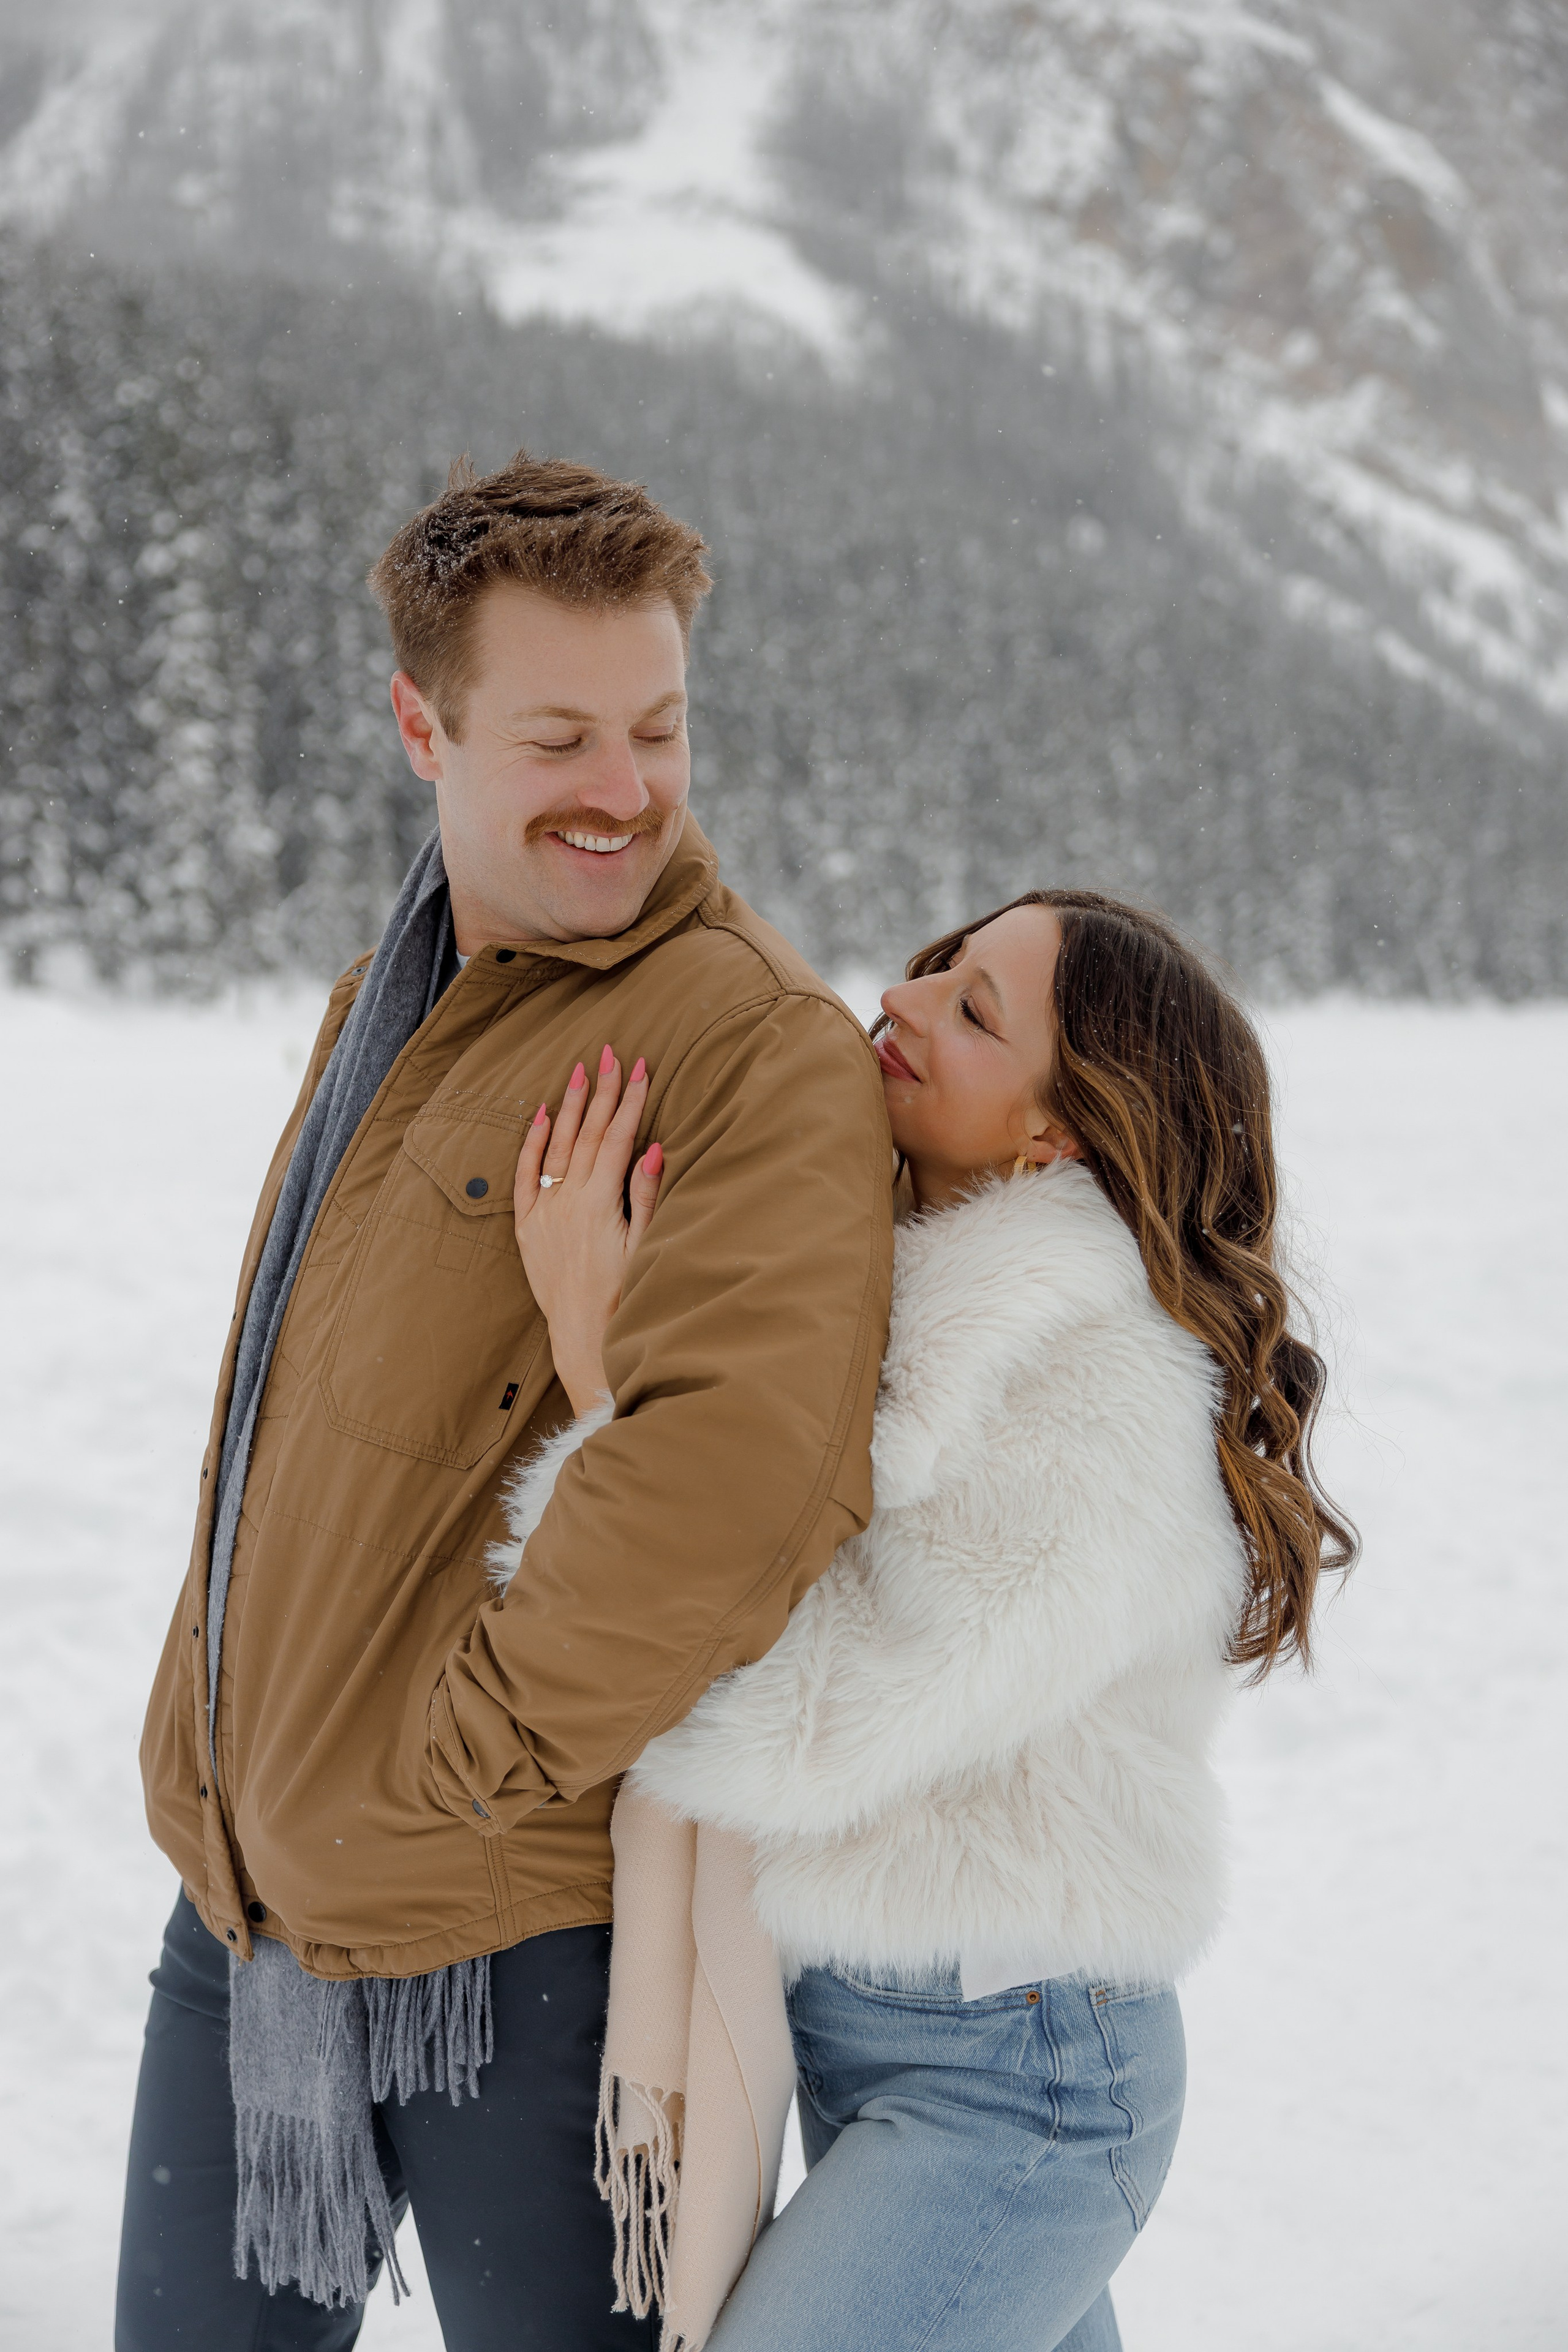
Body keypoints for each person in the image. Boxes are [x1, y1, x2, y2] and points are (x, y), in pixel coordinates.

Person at [115, 451, 894, 2351]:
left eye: (658, 726)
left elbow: (741, 1487)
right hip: (249, 1922)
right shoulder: (392, 1000)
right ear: (421, 722)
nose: (624, 788)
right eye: (559, 736)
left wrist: (449, 1772)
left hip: (522, 1953)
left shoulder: (747, 1045)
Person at [504, 888, 1357, 2351]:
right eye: (935, 972)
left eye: (976, 1012)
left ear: (1061, 1130)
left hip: (1016, 2084)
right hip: (899, 2046)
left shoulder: (1095, 1392)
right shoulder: (888, 1282)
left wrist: (607, 1386)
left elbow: (813, 1725)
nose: (899, 1004)